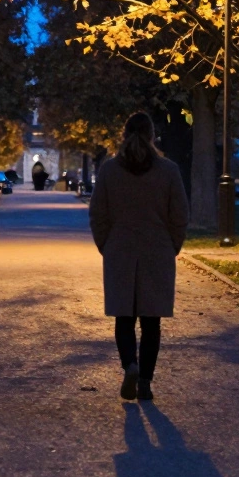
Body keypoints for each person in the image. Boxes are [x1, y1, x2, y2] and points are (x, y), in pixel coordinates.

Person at [89, 112, 189, 401]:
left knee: (124, 317)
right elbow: (180, 215)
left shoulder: (109, 171)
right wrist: (173, 245)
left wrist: (105, 244)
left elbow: (98, 213)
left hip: (120, 249)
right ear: (152, 135)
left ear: (123, 135)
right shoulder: (168, 171)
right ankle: (145, 381)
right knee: (151, 321)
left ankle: (129, 365)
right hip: (156, 251)